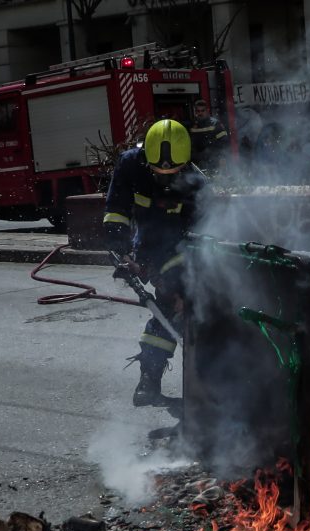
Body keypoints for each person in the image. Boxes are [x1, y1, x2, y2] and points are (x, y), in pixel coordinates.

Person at [103, 119, 207, 407]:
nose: (163, 176)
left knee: (174, 307)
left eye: (171, 172)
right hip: (144, 244)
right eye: (157, 170)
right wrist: (121, 252)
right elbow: (116, 211)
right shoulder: (130, 165)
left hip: (178, 248)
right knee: (168, 310)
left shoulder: (197, 186)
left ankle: (191, 381)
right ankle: (149, 378)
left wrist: (177, 284)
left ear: (185, 163)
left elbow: (198, 238)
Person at [187, 99, 229, 173]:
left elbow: (224, 142)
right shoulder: (190, 125)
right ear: (194, 111)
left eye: (202, 110)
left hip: (213, 160)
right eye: (198, 111)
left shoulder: (215, 124)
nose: (200, 113)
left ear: (207, 110)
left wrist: (223, 158)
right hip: (196, 162)